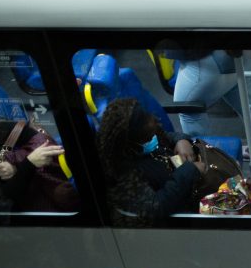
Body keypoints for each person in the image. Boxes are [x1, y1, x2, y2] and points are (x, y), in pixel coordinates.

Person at [96, 97, 208, 225]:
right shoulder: (121, 174)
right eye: (146, 122)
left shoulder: (142, 141)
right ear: (132, 137)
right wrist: (190, 171)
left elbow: (164, 136)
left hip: (186, 188)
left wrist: (182, 141)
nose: (154, 120)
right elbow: (155, 209)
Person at [164, 49, 242, 137]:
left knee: (187, 111)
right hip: (232, 59)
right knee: (247, 106)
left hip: (203, 63)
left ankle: (201, 150)